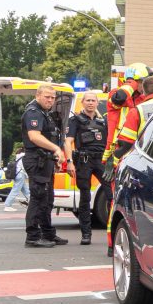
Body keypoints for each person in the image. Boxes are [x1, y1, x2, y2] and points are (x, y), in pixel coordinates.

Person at [20, 84, 68, 248]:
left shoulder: (44, 113)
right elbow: (34, 137)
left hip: (45, 160)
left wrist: (53, 159)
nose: (50, 100)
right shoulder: (33, 112)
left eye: (53, 97)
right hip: (36, 160)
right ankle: (32, 237)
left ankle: (48, 234)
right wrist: (55, 149)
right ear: (38, 95)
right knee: (38, 198)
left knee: (47, 200)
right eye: (47, 97)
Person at [66, 92, 107, 245]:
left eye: (93, 100)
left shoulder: (103, 121)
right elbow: (68, 141)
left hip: (101, 160)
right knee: (85, 197)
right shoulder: (75, 120)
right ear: (83, 102)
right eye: (88, 100)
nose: (90, 103)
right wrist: (69, 161)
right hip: (84, 160)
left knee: (110, 194)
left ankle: (112, 230)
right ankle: (86, 234)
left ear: (97, 103)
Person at [113, 75, 153, 159]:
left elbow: (126, 143)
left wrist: (117, 154)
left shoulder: (138, 110)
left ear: (144, 92)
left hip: (145, 158)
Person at [2, 144, 28, 211]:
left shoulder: (19, 155)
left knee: (26, 191)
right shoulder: (24, 156)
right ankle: (7, 205)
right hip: (21, 174)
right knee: (15, 190)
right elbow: (25, 167)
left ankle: (32, 203)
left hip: (18, 174)